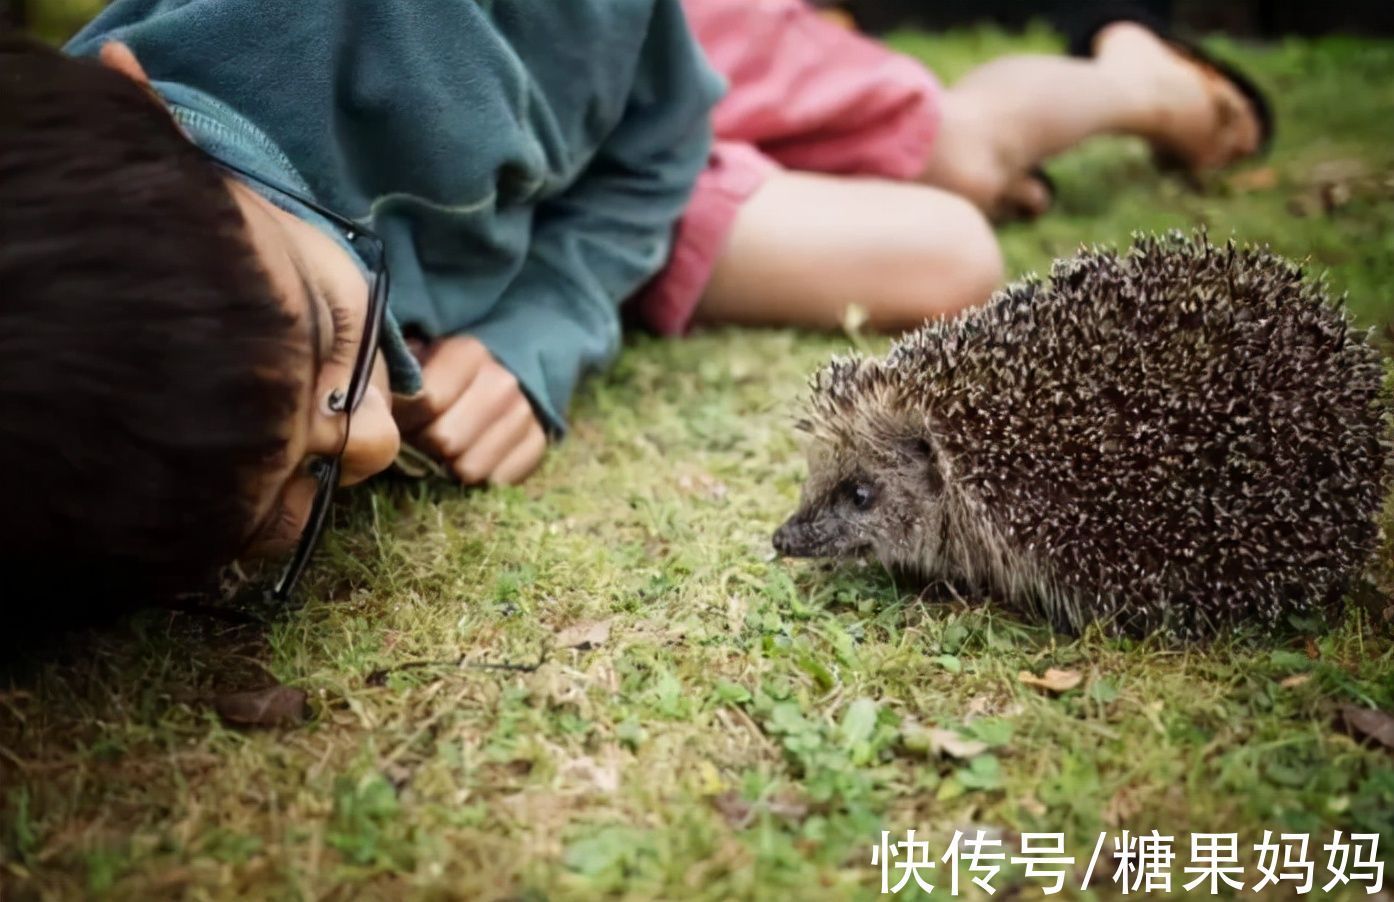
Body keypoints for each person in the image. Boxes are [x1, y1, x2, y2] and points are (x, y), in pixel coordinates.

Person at [0, 0, 1266, 605]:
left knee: (954, 190)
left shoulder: (406, 32)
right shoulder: (79, 354)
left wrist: (544, 323)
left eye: (340, 349)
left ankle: (1131, 79)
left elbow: (662, 133)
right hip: (530, 188)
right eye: (286, 503)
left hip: (644, 92)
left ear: (145, 107)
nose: (378, 438)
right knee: (927, 249)